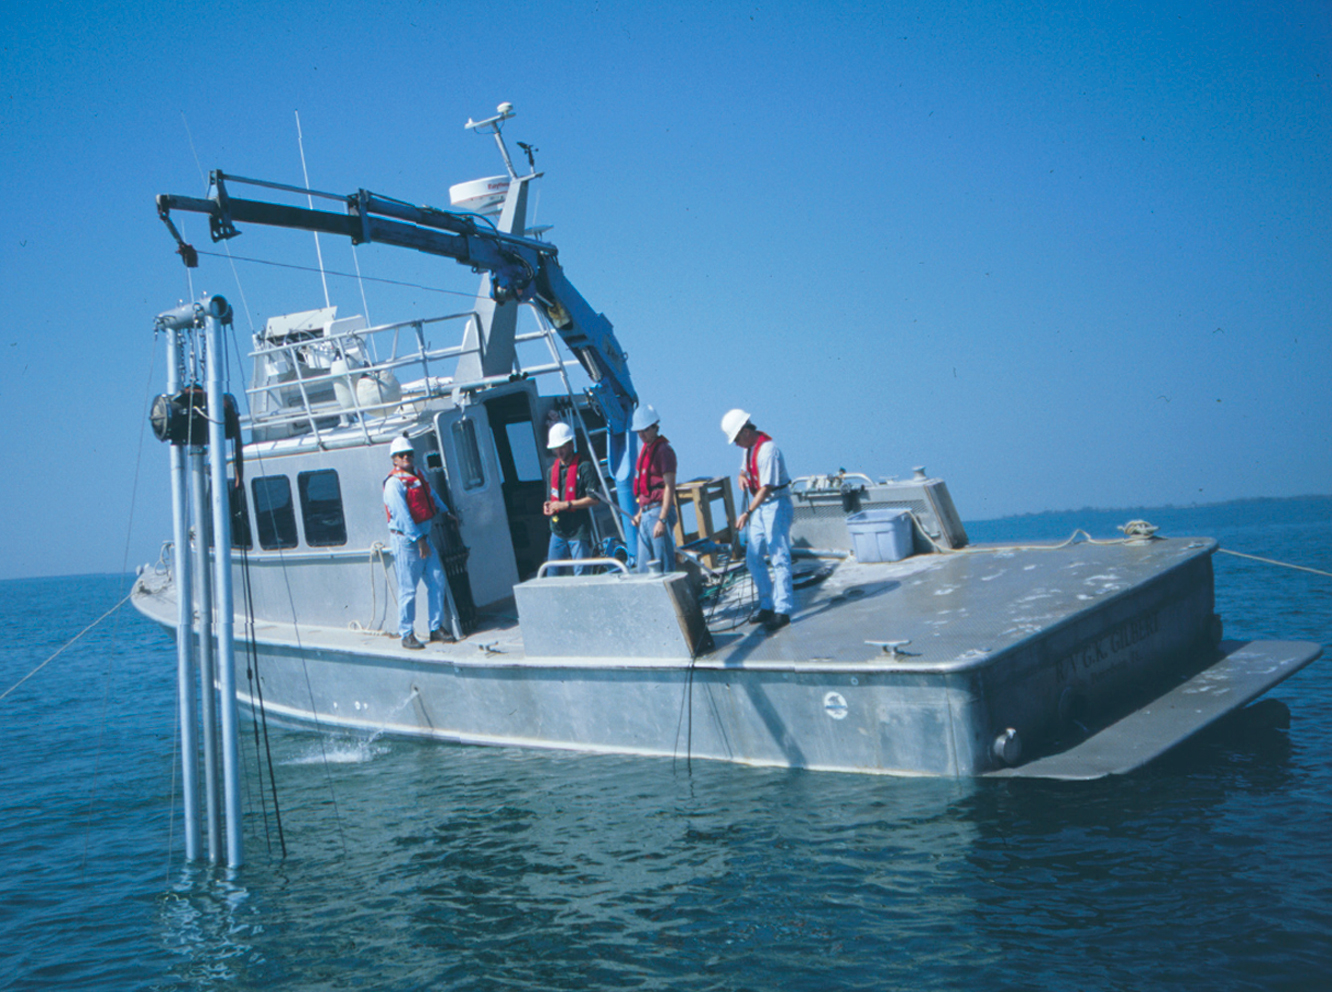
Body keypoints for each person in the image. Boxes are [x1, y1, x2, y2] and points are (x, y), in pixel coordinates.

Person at [721, 408, 794, 631]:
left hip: (776, 504)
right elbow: (744, 471)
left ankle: (782, 610)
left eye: (736, 438)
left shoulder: (768, 451)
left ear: (745, 431)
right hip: (761, 508)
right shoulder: (748, 449)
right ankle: (766, 604)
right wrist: (741, 477)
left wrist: (747, 513)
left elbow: (766, 488)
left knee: (778, 555)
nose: (735, 444)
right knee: (753, 557)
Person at [384, 434, 457, 649]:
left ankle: (435, 628)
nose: (406, 457)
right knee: (408, 589)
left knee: (437, 580)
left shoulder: (417, 474)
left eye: (409, 454)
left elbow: (430, 494)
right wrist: (419, 540)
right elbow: (403, 515)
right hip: (408, 542)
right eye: (401, 455)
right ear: (394, 459)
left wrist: (445, 511)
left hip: (425, 536)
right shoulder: (393, 485)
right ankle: (406, 633)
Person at [543, 422, 601, 575]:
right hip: (558, 530)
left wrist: (566, 505)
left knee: (582, 574)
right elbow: (550, 498)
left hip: (578, 530)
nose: (559, 451)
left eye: (562, 447)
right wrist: (548, 506)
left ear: (571, 444)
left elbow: (594, 499)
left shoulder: (585, 467)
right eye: (556, 448)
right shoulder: (552, 472)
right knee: (552, 575)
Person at [630, 404, 678, 573]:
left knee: (662, 563)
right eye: (639, 432)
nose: (641, 435)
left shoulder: (664, 451)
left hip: (658, 512)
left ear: (654, 427)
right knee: (643, 566)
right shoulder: (646, 450)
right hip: (646, 513)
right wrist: (640, 514)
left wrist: (662, 520)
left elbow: (669, 487)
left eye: (644, 430)